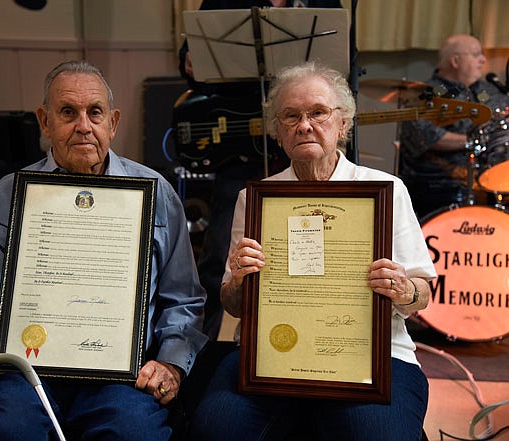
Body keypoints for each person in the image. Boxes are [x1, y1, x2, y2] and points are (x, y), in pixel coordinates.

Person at [187, 62, 437, 441]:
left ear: (343, 123)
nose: (305, 125)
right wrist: (238, 281)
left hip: (372, 357)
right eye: (291, 115)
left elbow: (423, 293)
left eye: (318, 112)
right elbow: (234, 304)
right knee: (214, 429)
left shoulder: (386, 190)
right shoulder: (254, 200)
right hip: (271, 356)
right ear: (276, 130)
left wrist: (404, 290)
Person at [0, 60, 208, 441]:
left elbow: (184, 299)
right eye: (67, 113)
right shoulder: (7, 194)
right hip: (28, 370)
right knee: (9, 430)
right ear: (45, 122)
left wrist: (171, 364)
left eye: (95, 113)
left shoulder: (156, 193)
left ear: (113, 122)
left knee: (133, 433)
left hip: (123, 376)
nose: (83, 126)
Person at [178, 0, 344, 341]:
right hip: (240, 149)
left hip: (301, 145)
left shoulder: (321, 4)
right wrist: (190, 59)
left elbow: (345, 62)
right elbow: (193, 62)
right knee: (219, 259)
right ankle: (199, 357)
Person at [399, 34, 509, 220]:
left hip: (487, 181)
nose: (483, 60)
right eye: (476, 55)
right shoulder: (424, 94)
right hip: (439, 185)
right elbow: (430, 136)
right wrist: (478, 140)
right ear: (455, 60)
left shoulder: (489, 90)